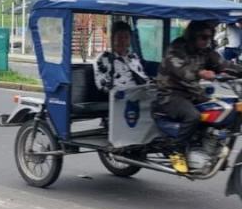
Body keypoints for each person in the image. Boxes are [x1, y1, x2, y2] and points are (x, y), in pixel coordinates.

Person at [154, 20, 239, 174]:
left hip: (193, 93)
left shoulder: (205, 50)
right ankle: (176, 152)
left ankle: (210, 148)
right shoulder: (177, 48)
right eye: (202, 37)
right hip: (170, 94)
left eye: (208, 37)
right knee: (193, 116)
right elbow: (181, 71)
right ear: (192, 35)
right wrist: (200, 73)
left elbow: (223, 64)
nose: (206, 41)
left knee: (220, 110)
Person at [93, 21, 149, 92]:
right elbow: (103, 87)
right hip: (117, 98)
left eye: (126, 37)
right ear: (113, 39)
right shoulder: (102, 58)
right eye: (119, 37)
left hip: (138, 95)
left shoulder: (133, 57)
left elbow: (144, 78)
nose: (123, 40)